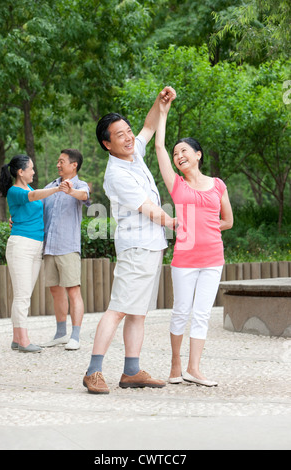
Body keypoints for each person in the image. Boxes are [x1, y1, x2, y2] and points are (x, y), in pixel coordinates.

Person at [83, 87, 177, 394]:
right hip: (137, 248)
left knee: (138, 311)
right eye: (119, 135)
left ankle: (132, 371)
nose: (128, 137)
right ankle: (93, 371)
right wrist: (176, 222)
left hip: (151, 247)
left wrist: (159, 103)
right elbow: (150, 210)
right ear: (106, 144)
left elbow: (149, 127)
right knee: (118, 308)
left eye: (127, 131)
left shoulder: (134, 153)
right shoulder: (116, 174)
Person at [155, 87, 234, 387]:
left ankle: (194, 369)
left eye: (184, 151)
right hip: (185, 259)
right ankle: (176, 365)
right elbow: (160, 148)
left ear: (198, 155)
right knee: (181, 312)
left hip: (213, 258)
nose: (178, 156)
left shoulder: (217, 185)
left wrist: (209, 228)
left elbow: (227, 220)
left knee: (202, 314)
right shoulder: (177, 186)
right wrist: (163, 113)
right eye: (176, 154)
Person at [0, 154, 69, 353]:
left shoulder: (28, 188)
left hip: (35, 246)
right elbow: (34, 197)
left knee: (24, 295)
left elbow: (32, 207)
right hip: (21, 245)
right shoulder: (15, 190)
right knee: (22, 296)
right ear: (21, 172)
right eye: (31, 168)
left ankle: (16, 337)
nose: (33, 172)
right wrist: (57, 188)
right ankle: (23, 340)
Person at [41, 149, 90, 351]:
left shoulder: (79, 185)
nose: (58, 164)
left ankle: (75, 336)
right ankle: (60, 334)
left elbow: (85, 196)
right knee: (55, 290)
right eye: (58, 161)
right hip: (49, 247)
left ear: (74, 165)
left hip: (68, 246)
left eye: (62, 161)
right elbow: (37, 207)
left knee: (73, 290)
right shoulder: (49, 187)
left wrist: (70, 191)